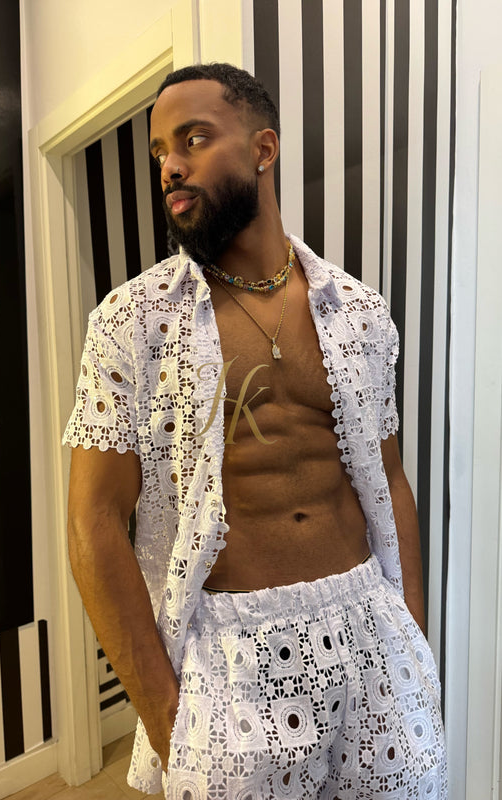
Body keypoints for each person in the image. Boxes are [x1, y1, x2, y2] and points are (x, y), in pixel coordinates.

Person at [64, 63, 447, 799]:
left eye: (194, 139)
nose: (170, 166)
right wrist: (167, 719)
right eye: (159, 151)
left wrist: (411, 639)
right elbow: (93, 524)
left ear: (263, 149)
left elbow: (389, 479)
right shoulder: (134, 322)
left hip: (370, 627)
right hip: (232, 653)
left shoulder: (359, 312)